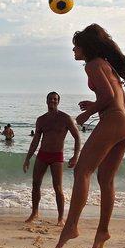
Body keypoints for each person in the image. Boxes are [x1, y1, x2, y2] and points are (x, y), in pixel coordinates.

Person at [56, 24, 125, 248]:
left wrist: (86, 114)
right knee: (106, 180)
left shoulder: (91, 65)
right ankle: (102, 231)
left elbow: (109, 96)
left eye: (75, 47)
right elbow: (123, 101)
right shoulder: (107, 65)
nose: (73, 51)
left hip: (114, 120)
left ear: (85, 48)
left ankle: (71, 226)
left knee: (83, 171)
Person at [23, 92, 81, 226]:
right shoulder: (41, 120)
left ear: (58, 101)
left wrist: (75, 156)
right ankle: (34, 213)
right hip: (42, 154)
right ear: (46, 101)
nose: (52, 101)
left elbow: (77, 137)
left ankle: (61, 218)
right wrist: (27, 159)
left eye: (55, 99)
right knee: (35, 184)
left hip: (57, 156)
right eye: (50, 99)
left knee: (58, 187)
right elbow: (35, 141)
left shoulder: (66, 118)